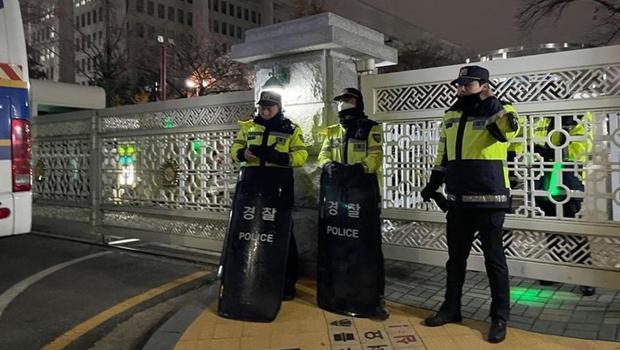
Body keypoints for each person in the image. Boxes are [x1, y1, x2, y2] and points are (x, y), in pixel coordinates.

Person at [420, 66, 520, 343]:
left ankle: (499, 317)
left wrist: (490, 101)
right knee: (455, 261)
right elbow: (444, 153)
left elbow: (506, 134)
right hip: (459, 199)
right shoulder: (451, 114)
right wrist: (433, 183)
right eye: (459, 84)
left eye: (468, 84)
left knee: (494, 260)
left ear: (484, 85)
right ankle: (451, 309)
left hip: (491, 198)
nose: (462, 88)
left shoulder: (502, 108)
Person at [219, 90, 307, 321]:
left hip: (277, 190)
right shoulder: (249, 127)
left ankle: (287, 285)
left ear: (278, 108)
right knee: (245, 235)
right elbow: (233, 150)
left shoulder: (290, 129)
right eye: (262, 107)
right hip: (251, 188)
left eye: (269, 107)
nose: (265, 110)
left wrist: (281, 158)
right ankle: (242, 281)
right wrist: (242, 153)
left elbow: (301, 155)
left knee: (282, 236)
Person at [316, 87, 389, 320]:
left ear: (358, 102)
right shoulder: (332, 130)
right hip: (337, 195)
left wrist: (359, 169)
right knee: (338, 244)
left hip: (362, 194)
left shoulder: (370, 128)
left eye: (347, 99)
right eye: (340, 100)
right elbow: (322, 155)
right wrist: (328, 165)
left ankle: (371, 296)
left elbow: (375, 157)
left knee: (366, 247)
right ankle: (337, 293)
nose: (343, 104)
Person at [533, 112, 595, 296]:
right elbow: (533, 141)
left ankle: (585, 277)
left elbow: (580, 148)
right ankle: (555, 270)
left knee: (573, 228)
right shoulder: (543, 117)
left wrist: (550, 149)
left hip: (569, 180)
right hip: (545, 178)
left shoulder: (580, 116)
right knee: (552, 227)